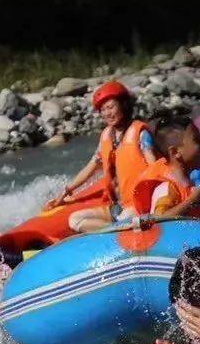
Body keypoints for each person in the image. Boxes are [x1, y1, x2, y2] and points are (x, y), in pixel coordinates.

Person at [46, 81, 156, 232]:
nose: (107, 113)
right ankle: (120, 229)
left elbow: (156, 168)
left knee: (124, 218)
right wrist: (65, 192)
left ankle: (123, 228)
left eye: (111, 107)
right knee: (74, 220)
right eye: (103, 110)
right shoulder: (107, 135)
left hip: (139, 205)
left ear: (124, 105)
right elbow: (91, 168)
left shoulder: (141, 133)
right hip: (117, 207)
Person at [128, 121, 200, 220]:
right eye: (197, 141)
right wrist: (193, 199)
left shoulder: (195, 181)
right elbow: (159, 218)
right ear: (175, 152)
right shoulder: (167, 187)